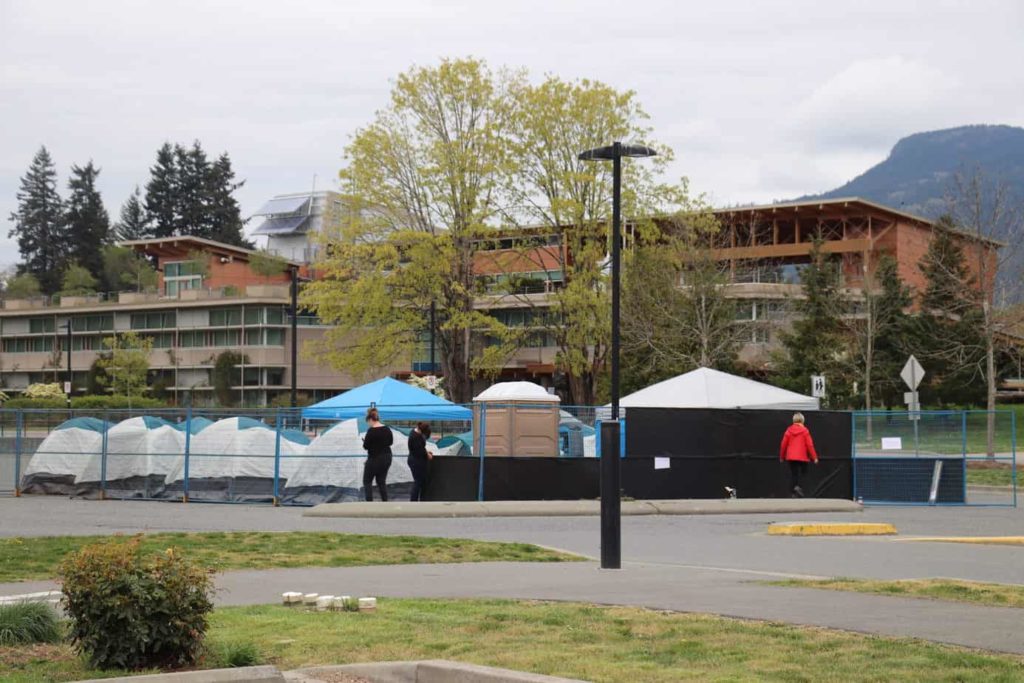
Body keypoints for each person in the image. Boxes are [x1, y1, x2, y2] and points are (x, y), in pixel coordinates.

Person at [779, 412, 819, 498]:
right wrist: (814, 457)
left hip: (791, 457)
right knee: (803, 472)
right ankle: (799, 486)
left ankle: (794, 491)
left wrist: (782, 457)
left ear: (793, 420)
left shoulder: (788, 431)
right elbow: (810, 445)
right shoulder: (805, 431)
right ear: (802, 420)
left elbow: (783, 444)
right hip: (802, 457)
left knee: (794, 474)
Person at [361, 407, 394, 501]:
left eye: (368, 422)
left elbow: (365, 446)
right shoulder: (387, 429)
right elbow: (390, 442)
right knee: (381, 481)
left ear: (370, 419)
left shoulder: (371, 431)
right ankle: (385, 502)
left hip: (374, 458)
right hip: (387, 457)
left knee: (367, 481)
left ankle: (370, 504)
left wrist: (367, 442)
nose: (368, 424)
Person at [407, 421, 433, 502]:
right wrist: (427, 455)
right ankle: (414, 501)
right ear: (422, 431)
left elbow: (421, 447)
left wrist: (426, 452)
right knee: (418, 482)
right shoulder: (416, 437)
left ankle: (421, 500)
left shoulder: (414, 432)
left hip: (414, 460)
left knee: (421, 482)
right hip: (416, 462)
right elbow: (419, 451)